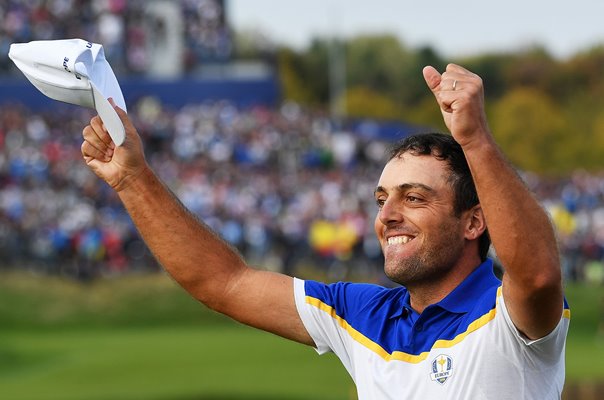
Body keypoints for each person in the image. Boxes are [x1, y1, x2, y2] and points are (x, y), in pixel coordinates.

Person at [80, 64, 570, 399]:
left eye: (414, 197)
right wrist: (131, 178)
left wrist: (475, 139)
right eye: (382, 199)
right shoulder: (361, 313)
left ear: (473, 222)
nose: (388, 215)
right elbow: (224, 282)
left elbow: (540, 275)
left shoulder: (510, 314)